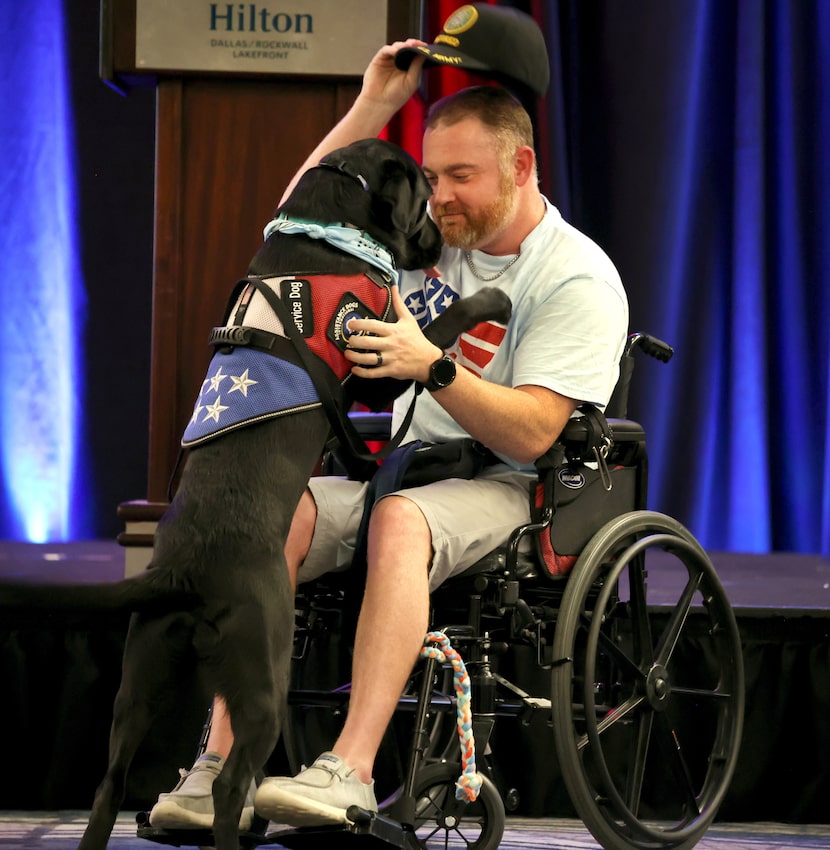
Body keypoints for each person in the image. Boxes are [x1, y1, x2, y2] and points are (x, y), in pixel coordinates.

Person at [149, 36, 629, 831]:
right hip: (406, 469)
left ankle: (351, 771)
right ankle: (219, 769)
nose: (440, 198)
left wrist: (434, 369)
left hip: (509, 485)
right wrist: (374, 105)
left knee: (404, 521)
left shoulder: (575, 276)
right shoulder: (435, 240)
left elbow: (541, 433)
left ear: (520, 168)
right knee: (281, 508)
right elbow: (303, 213)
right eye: (433, 178)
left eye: (461, 179)